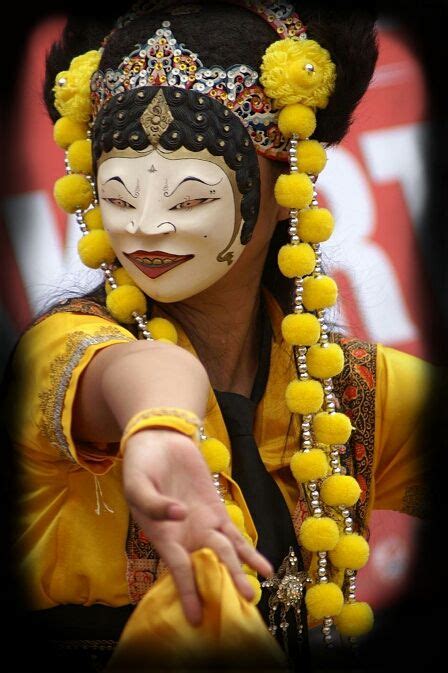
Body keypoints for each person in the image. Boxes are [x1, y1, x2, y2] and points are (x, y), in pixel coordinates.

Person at [3, 1, 432, 671]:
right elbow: (136, 372)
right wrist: (159, 428)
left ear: (285, 178)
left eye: (188, 199)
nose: (145, 225)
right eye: (117, 195)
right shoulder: (60, 349)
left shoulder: (338, 389)